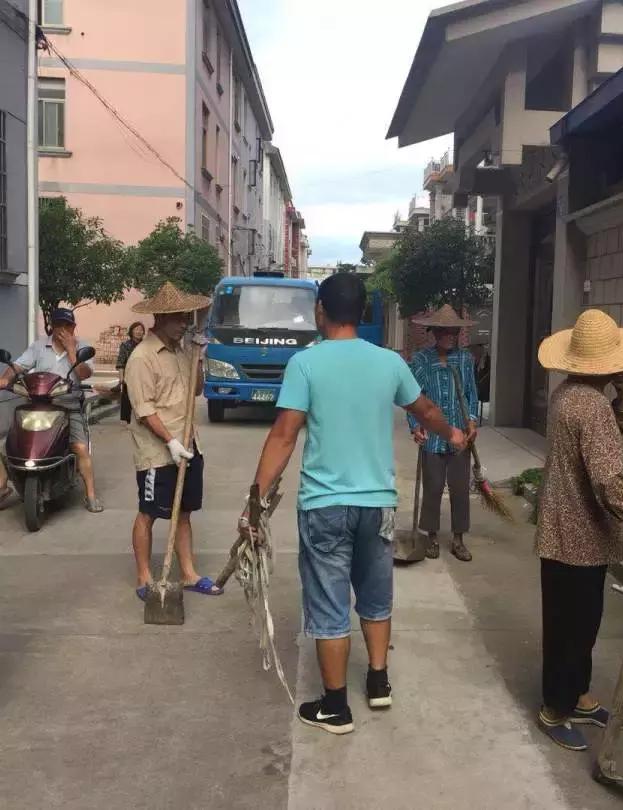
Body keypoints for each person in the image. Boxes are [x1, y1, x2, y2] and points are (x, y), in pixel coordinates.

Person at [240, 273, 466, 736]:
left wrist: (255, 503)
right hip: (377, 505)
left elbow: (284, 436)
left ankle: (336, 707)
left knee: (328, 603)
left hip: (325, 505)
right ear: (362, 312)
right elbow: (424, 410)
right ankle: (379, 683)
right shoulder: (389, 362)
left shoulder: (305, 365)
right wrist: (455, 434)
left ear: (320, 310)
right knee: (376, 595)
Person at [536, 309, 623, 752]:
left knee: (579, 623)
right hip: (577, 535)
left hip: (566, 531)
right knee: (571, 628)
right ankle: (554, 708)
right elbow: (608, 481)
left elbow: (605, 446)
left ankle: (577, 696)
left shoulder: (566, 394)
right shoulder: (589, 406)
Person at [125, 283, 222, 601]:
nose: (184, 323)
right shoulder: (142, 358)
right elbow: (143, 410)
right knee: (148, 512)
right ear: (160, 318)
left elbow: (196, 392)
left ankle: (190, 574)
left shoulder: (183, 351)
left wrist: (198, 358)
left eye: (186, 316)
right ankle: (144, 577)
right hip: (157, 451)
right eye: (178, 317)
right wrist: (169, 441)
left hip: (189, 443)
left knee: (184, 513)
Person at [0, 307, 103, 513]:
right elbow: (19, 366)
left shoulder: (82, 346)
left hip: (68, 407)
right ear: (52, 327)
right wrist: (5, 377)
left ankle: (90, 495)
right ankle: (2, 488)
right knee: (5, 446)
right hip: (38, 406)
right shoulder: (38, 347)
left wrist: (72, 350)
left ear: (74, 327)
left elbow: (83, 374)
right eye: (59, 325)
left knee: (80, 448)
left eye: (68, 325)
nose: (63, 329)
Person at [407, 305, 479, 562]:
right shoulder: (421, 360)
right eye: (444, 332)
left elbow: (471, 394)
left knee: (459, 488)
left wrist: (472, 420)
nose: (449, 337)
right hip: (433, 435)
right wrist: (415, 426)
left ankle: (458, 538)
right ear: (434, 333)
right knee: (434, 487)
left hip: (459, 435)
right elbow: (412, 397)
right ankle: (432, 536)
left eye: (453, 333)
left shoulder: (465, 360)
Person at [116, 321, 145, 424]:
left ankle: (142, 418)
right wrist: (121, 378)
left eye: (141, 330)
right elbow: (120, 362)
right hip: (129, 375)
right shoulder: (125, 345)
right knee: (127, 397)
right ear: (131, 331)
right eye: (136, 329)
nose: (139, 332)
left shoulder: (145, 345)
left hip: (143, 376)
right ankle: (125, 419)